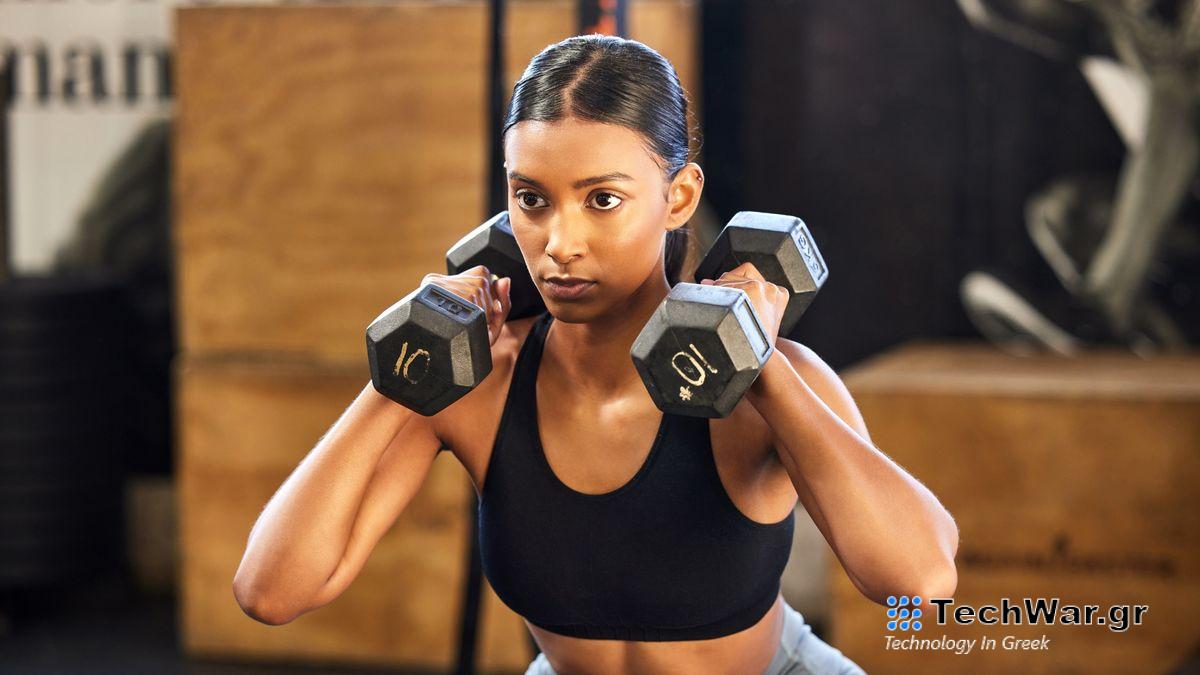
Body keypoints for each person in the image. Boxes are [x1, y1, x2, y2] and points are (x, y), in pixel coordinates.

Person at [232, 35, 959, 675]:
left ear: (679, 198)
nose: (559, 243)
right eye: (531, 198)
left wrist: (760, 365)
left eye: (602, 200)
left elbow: (921, 582)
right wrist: (399, 375)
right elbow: (271, 591)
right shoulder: (479, 382)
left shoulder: (774, 382)